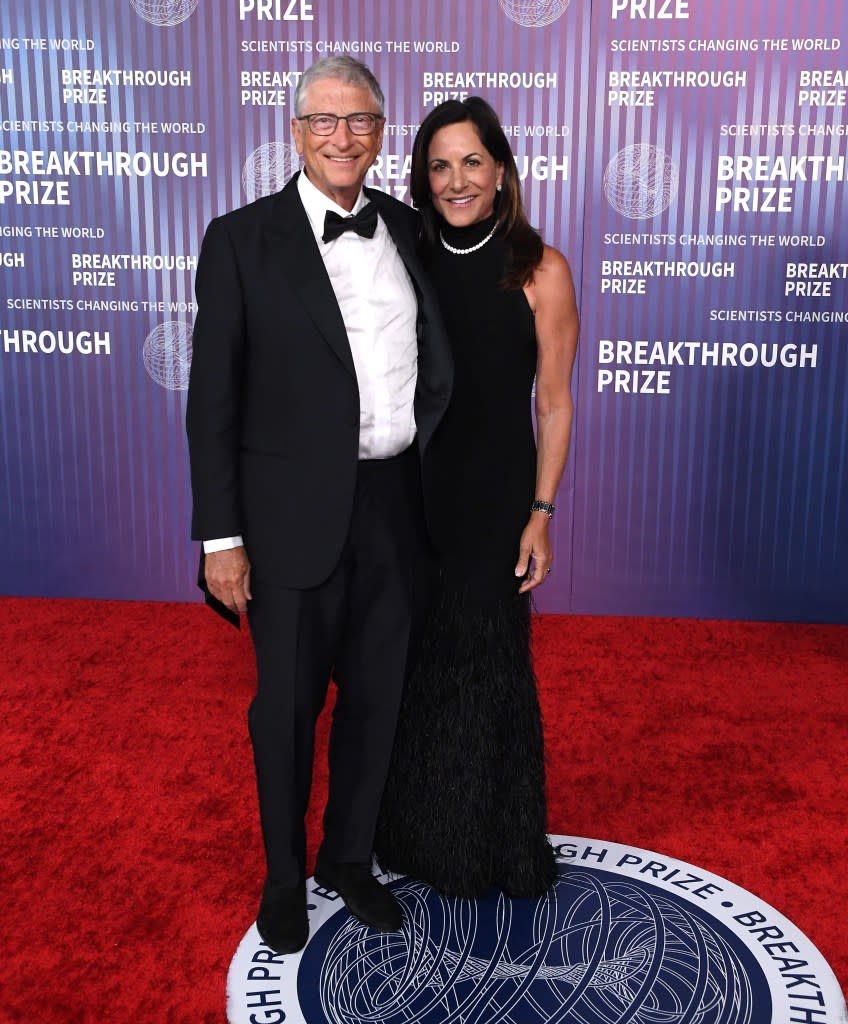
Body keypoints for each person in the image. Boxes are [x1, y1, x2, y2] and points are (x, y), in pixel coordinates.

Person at [185, 56, 452, 953]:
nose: (344, 137)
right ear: (295, 132)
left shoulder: (412, 232)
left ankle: (348, 861)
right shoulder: (238, 239)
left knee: (378, 702)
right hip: (288, 518)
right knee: (287, 710)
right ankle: (284, 877)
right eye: (325, 121)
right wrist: (222, 538)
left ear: (382, 133)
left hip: (395, 508)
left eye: (362, 121)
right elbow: (211, 402)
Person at [375, 97, 579, 899]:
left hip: (496, 501)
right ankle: (415, 833)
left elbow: (555, 402)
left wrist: (542, 513)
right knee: (411, 666)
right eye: (438, 165)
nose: (456, 180)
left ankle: (492, 844)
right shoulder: (405, 256)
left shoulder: (540, 269)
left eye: (471, 162)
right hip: (410, 494)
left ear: (500, 171)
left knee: (485, 671)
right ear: (422, 179)